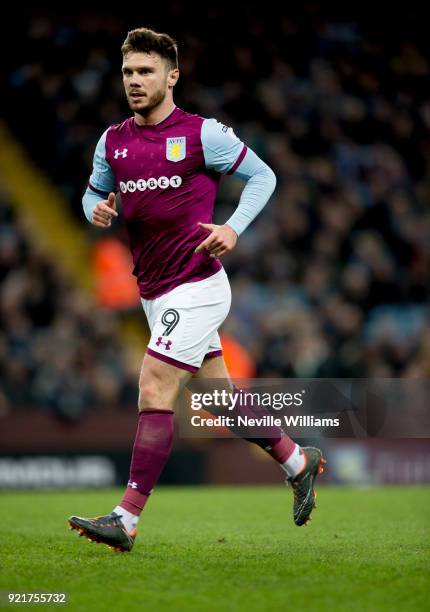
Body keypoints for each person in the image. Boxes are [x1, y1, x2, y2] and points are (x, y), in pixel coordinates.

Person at [68, 27, 325, 552]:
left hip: (198, 285)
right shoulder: (112, 142)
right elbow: (93, 191)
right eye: (128, 73)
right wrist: (92, 208)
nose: (135, 81)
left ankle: (127, 518)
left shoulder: (202, 133)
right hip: (153, 292)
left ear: (172, 75)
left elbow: (264, 177)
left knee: (153, 389)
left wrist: (233, 227)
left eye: (145, 71)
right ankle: (299, 462)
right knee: (219, 400)